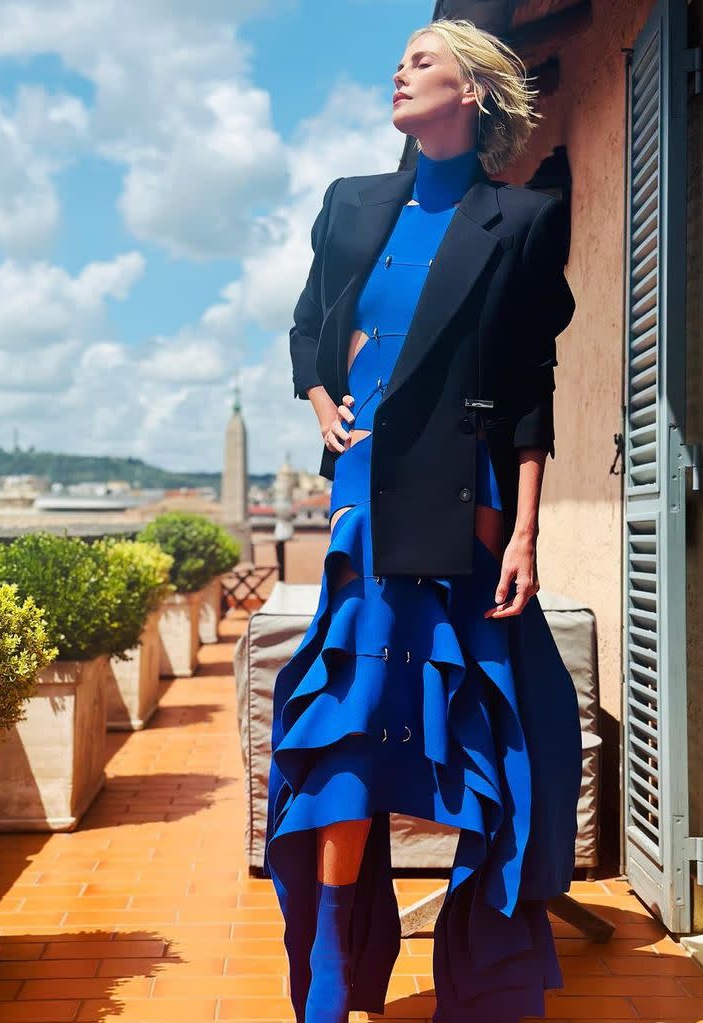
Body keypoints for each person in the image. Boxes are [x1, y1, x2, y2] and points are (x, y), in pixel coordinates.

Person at [264, 17, 582, 1023]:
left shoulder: (521, 219)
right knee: (350, 733)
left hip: (466, 505)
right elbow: (312, 325)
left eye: (424, 63)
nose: (400, 74)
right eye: (400, 62)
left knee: (478, 744)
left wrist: (525, 531)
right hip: (364, 499)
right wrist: (324, 406)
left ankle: (479, 977)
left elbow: (530, 391)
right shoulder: (352, 205)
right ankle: (327, 969)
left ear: (474, 92)